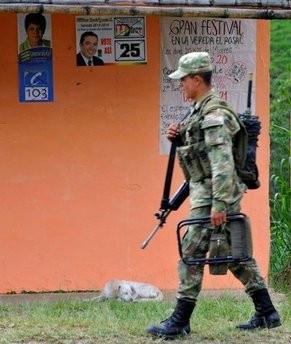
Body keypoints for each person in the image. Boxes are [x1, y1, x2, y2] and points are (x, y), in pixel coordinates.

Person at [146, 52, 281, 339]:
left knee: (191, 252)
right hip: (208, 192)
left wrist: (219, 203)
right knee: (235, 256)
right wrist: (180, 137)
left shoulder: (213, 115)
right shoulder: (199, 111)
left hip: (214, 195)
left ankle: (180, 321)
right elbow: (204, 154)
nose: (180, 84)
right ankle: (267, 312)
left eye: (183, 79)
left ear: (197, 79)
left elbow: (222, 163)